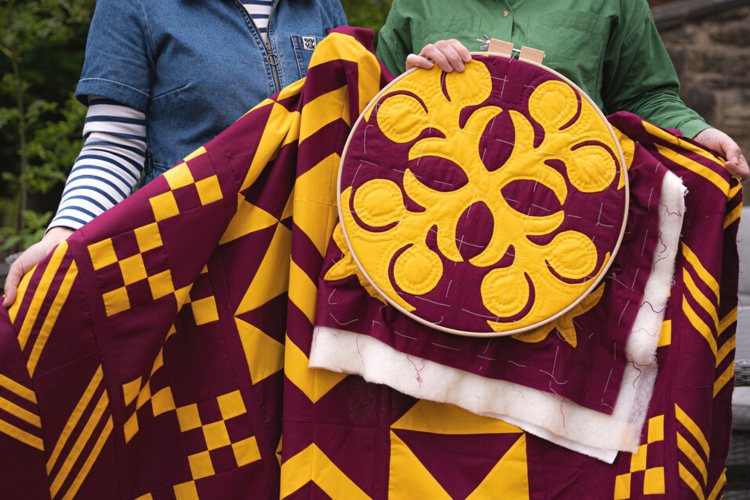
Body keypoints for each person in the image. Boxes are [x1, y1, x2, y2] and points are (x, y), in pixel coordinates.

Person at [3, 0, 347, 306]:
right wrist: (66, 232)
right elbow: (115, 147)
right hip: (196, 277)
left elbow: (349, 133)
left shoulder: (321, 5)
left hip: (309, 271)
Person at [375, 0, 749, 180]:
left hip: (570, 213)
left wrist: (699, 134)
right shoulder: (414, 3)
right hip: (432, 205)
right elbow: (373, 118)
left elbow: (644, 97)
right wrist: (412, 83)